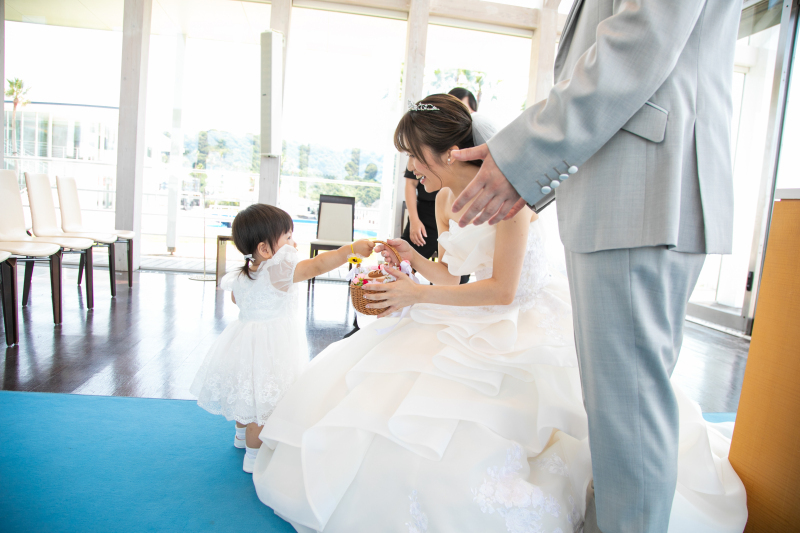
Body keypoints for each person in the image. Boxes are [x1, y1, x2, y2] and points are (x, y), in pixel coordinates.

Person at [250, 95, 746, 532]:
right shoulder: (443, 198)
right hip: (464, 314)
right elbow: (454, 275)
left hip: (518, 321)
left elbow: (504, 290)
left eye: (414, 156)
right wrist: (415, 262)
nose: (410, 169)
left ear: (447, 152)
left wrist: (414, 296)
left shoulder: (512, 200)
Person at [448, 2, 742, 532]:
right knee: (621, 410)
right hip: (642, 186)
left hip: (645, 189)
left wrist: (525, 153)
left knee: (627, 413)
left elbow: (640, 38)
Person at [190, 204, 375, 473]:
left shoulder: (245, 274)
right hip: (270, 348)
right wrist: (350, 251)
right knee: (262, 406)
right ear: (265, 249)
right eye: (288, 238)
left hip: (242, 343)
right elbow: (319, 264)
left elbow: (237, 299)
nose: (294, 243)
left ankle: (240, 437)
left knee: (247, 395)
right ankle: (254, 458)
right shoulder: (278, 272)